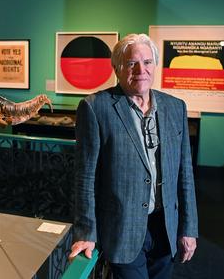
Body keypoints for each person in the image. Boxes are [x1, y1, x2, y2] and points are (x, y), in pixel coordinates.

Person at [68, 33, 198, 279]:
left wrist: (188, 228)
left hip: (166, 228)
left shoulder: (175, 107)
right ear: (117, 68)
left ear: (155, 66)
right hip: (122, 229)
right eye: (131, 64)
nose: (141, 70)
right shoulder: (96, 107)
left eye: (147, 62)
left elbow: (185, 174)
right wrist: (86, 232)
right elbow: (85, 177)